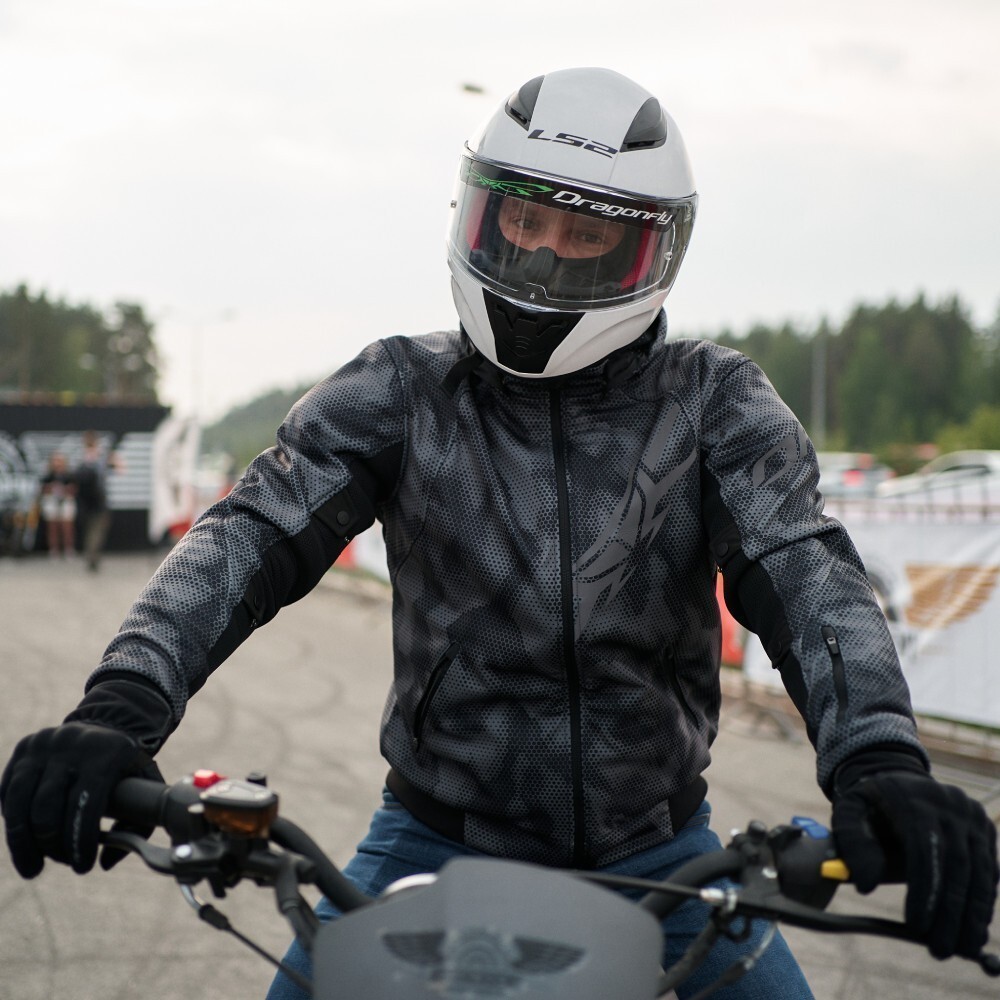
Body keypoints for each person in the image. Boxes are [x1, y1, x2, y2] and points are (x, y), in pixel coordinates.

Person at [1, 68, 996, 999]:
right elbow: (246, 535)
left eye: (585, 233)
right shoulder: (401, 389)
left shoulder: (713, 401)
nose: (541, 254)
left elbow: (805, 571)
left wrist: (880, 764)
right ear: (476, 212)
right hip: (432, 843)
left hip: (665, 854)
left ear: (649, 252)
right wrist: (117, 709)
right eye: (522, 218)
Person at [73, 430, 117, 572]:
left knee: (90, 531)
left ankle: (90, 555)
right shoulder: (99, 457)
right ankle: (92, 556)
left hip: (84, 502)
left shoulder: (80, 457)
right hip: (97, 501)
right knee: (96, 531)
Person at [38, 452, 77, 558]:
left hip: (66, 501)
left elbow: (74, 489)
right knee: (52, 527)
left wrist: (65, 490)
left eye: (59, 461)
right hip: (51, 501)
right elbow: (43, 489)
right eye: (55, 461)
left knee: (67, 526)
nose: (57, 464)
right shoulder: (48, 476)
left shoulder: (69, 476)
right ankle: (54, 549)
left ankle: (68, 549)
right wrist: (51, 489)